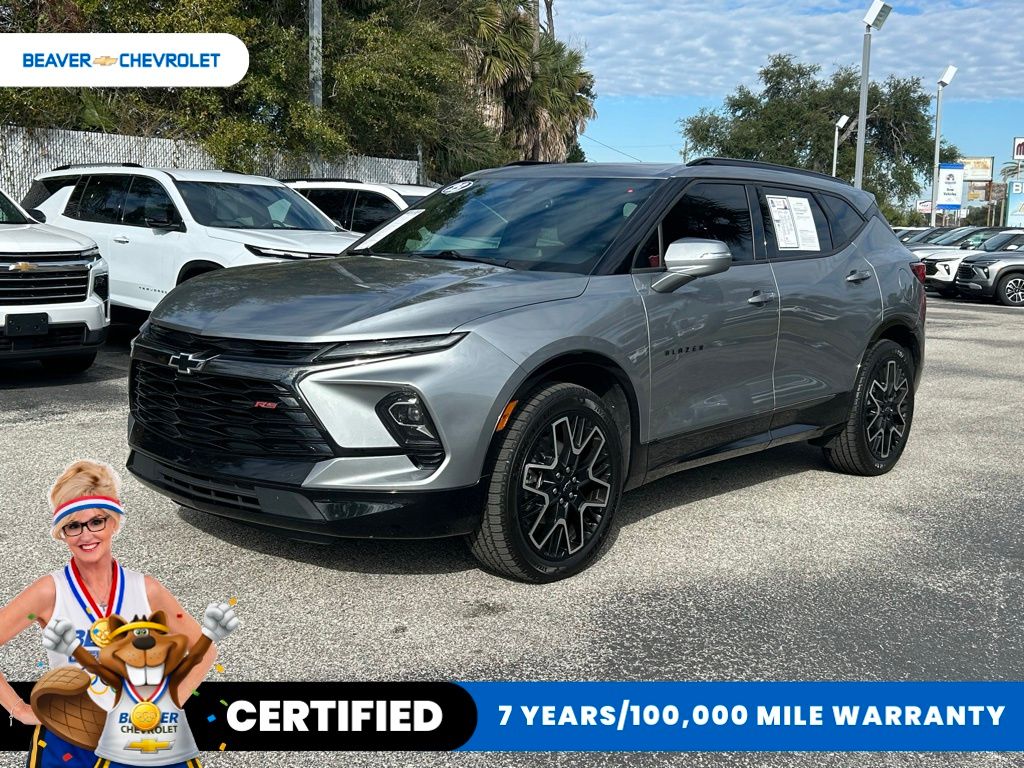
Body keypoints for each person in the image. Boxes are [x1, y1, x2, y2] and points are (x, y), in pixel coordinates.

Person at [0, 460, 218, 767]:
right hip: (70, 737)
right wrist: (19, 709)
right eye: (73, 526)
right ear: (62, 533)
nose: (86, 535)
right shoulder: (49, 593)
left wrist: (172, 701)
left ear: (114, 522)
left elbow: (204, 650)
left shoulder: (147, 590)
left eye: (97, 521)